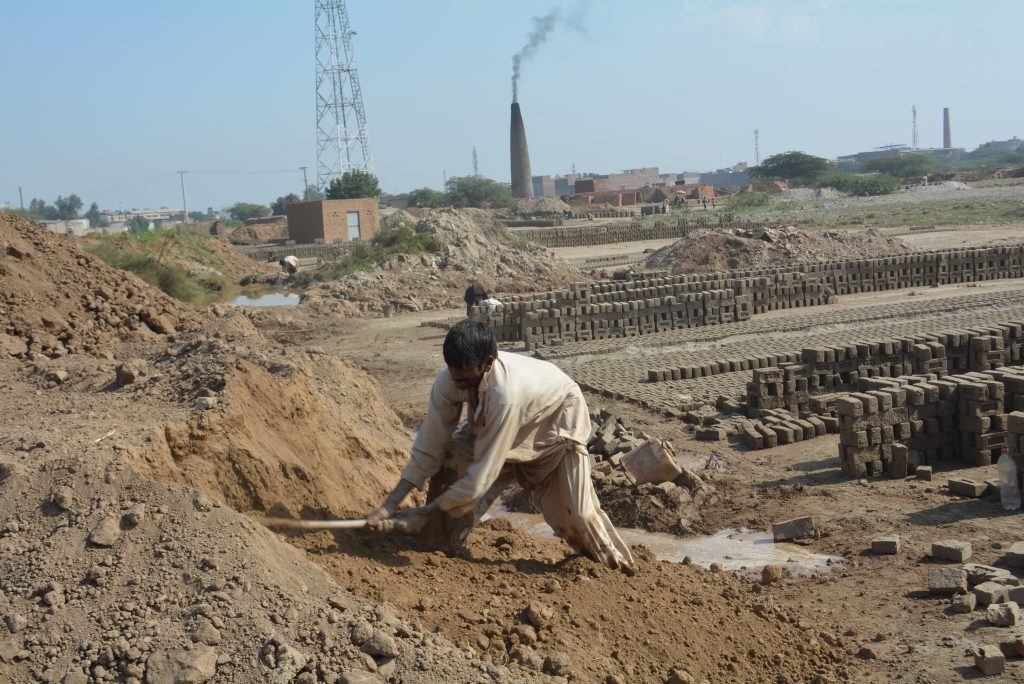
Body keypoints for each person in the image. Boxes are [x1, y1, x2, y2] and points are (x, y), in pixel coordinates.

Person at [367, 320, 636, 574]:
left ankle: (613, 568)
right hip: (498, 420)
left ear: (487, 363)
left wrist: (424, 512)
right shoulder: (449, 380)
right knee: (452, 459)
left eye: (463, 368)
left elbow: (483, 472)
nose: (456, 375)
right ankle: (438, 542)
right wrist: (390, 504)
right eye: (451, 366)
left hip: (555, 421)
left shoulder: (506, 395)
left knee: (577, 515)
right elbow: (429, 444)